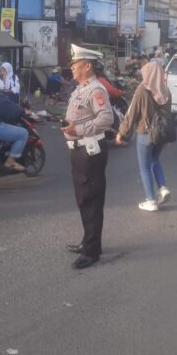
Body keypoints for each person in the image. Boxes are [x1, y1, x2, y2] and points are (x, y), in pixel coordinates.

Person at [61, 45, 114, 270]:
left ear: (88, 66)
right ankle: (88, 240)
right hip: (79, 150)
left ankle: (91, 251)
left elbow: (107, 119)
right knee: (83, 198)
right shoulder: (80, 89)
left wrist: (78, 130)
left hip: (89, 151)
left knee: (90, 199)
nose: (72, 67)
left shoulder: (96, 90)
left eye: (76, 63)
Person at [115, 62, 172, 212]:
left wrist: (121, 132)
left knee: (144, 166)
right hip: (161, 134)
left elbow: (132, 113)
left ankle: (151, 200)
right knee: (155, 159)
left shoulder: (143, 89)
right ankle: (163, 187)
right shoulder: (166, 90)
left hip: (145, 133)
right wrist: (166, 138)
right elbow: (168, 115)